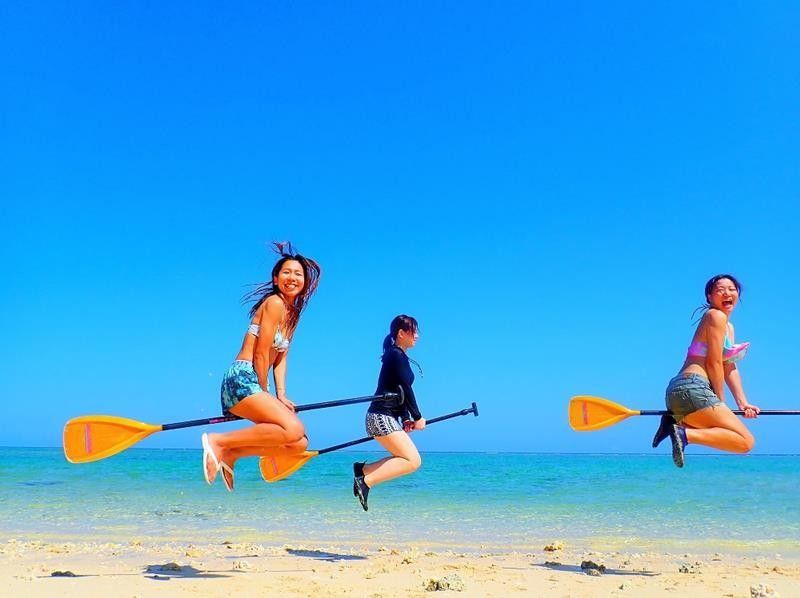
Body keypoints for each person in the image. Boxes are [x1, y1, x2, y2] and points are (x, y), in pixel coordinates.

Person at [201, 242, 321, 490]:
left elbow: (281, 358)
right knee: (293, 428)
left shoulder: (292, 315)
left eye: (298, 274)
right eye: (287, 272)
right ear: (276, 279)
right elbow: (261, 353)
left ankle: (232, 454)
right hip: (243, 379)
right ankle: (218, 441)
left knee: (298, 443)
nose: (292, 278)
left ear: (305, 283)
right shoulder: (274, 303)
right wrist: (266, 393)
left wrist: (282, 395)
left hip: (256, 381)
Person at [653, 274, 760, 468]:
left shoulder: (728, 326)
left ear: (738, 294)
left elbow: (728, 365)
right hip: (693, 387)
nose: (727, 293)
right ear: (709, 297)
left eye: (732, 289)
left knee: (721, 433)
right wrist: (722, 401)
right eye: (720, 290)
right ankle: (683, 433)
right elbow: (713, 363)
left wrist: (743, 403)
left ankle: (673, 423)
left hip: (681, 391)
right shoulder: (714, 315)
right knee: (745, 442)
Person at [353, 315, 425, 511]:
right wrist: (418, 417)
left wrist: (406, 418)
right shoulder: (396, 355)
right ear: (401, 333)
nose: (417, 336)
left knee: (405, 459)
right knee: (412, 460)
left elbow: (398, 391)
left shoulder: (398, 355)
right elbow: (406, 389)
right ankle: (366, 481)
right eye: (413, 332)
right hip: (380, 417)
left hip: (383, 416)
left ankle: (363, 470)